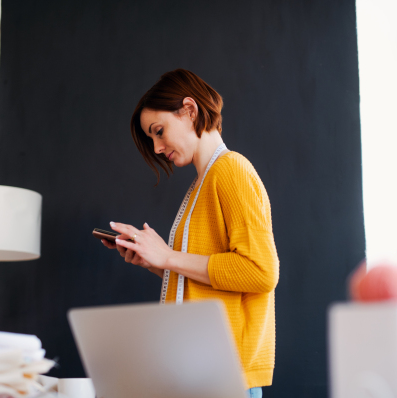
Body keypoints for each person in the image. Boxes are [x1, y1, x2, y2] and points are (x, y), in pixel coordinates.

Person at [101, 69, 279, 398]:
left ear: (190, 110)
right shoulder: (203, 183)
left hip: (227, 373)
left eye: (159, 131)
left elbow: (260, 271)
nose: (156, 147)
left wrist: (168, 255)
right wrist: (154, 261)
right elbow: (212, 277)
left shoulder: (230, 170)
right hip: (203, 369)